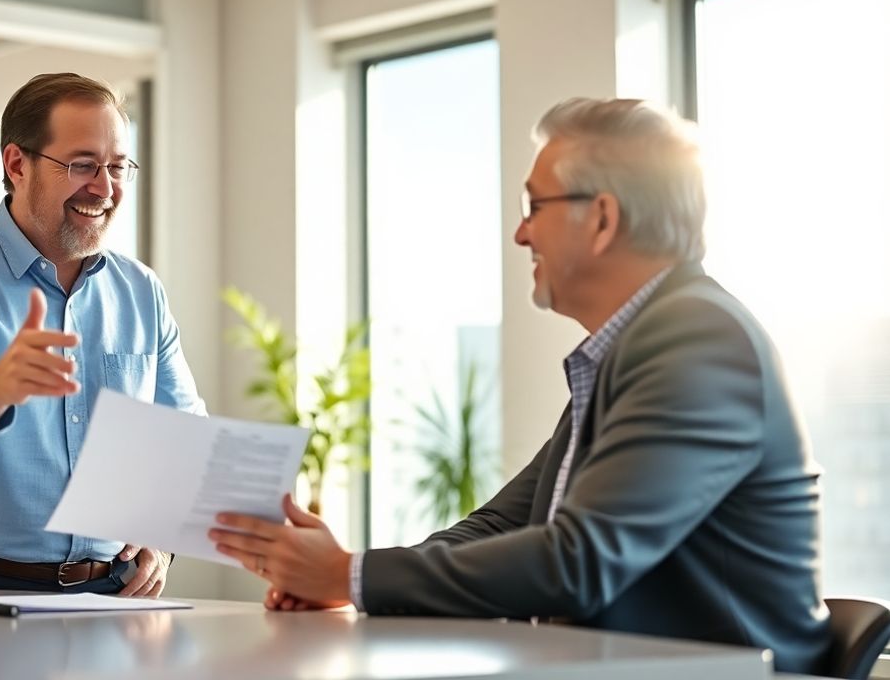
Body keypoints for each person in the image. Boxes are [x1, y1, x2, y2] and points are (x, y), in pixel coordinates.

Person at [210, 98, 832, 674]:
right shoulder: (631, 346)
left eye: (535, 207)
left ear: (603, 218)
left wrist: (352, 576)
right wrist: (347, 578)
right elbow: (501, 525)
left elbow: (579, 560)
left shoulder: (697, 340)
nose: (521, 234)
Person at [0, 72, 205, 597]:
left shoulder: (141, 291)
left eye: (118, 167)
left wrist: (162, 537)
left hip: (109, 597)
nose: (104, 188)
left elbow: (183, 439)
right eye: (83, 165)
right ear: (17, 164)